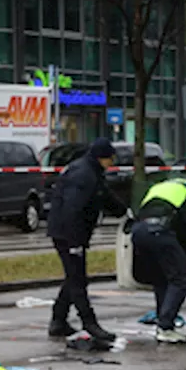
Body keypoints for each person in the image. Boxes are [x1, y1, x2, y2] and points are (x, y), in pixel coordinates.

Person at [47, 137, 130, 342]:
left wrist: (124, 211)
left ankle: (58, 321)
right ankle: (89, 323)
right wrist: (75, 242)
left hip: (69, 232)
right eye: (111, 159)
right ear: (102, 158)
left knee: (73, 276)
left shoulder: (90, 171)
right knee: (78, 279)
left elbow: (103, 196)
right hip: (68, 234)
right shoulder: (84, 175)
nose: (112, 163)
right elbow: (72, 209)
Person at [131, 176, 186, 344]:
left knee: (160, 279)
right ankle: (166, 327)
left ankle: (163, 321)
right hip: (160, 231)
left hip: (139, 232)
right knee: (180, 279)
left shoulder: (159, 188)